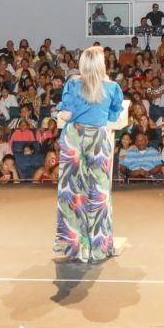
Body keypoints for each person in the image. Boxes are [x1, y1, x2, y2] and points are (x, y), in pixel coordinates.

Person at [53, 45, 128, 264]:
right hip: (98, 141)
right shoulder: (113, 87)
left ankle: (75, 246)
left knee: (73, 194)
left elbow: (66, 113)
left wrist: (62, 113)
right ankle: (99, 247)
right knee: (99, 194)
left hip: (74, 140)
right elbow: (114, 114)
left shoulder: (73, 83)